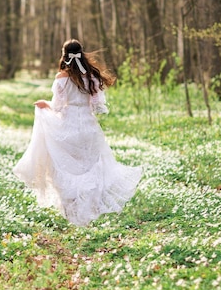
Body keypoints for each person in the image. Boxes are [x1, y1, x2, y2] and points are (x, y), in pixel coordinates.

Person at [13, 39, 142, 227]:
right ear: (82, 53)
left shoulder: (61, 78)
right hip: (88, 127)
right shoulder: (91, 76)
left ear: (64, 55)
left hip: (68, 126)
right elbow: (98, 106)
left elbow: (57, 106)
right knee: (89, 166)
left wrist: (44, 104)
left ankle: (72, 208)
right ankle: (89, 207)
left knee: (67, 166)